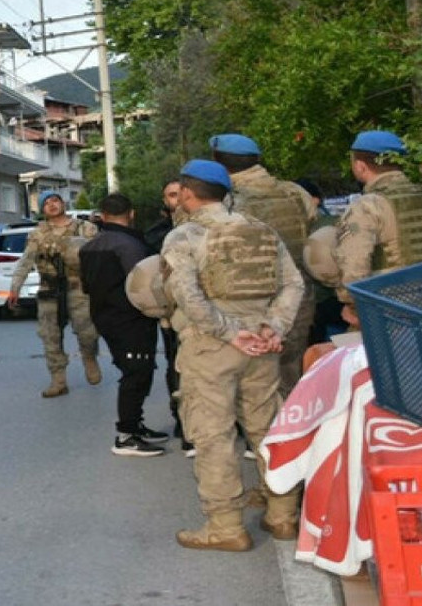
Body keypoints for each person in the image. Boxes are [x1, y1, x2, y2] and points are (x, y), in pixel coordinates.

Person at [162, 160, 304, 551]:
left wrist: (228, 332)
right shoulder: (262, 231)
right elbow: (293, 284)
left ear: (186, 193)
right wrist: (274, 327)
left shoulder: (184, 235)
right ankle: (283, 514)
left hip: (212, 346)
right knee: (268, 427)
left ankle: (225, 527)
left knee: (213, 433)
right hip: (262, 344)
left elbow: (188, 296)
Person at [210, 133, 318, 398]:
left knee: (253, 389)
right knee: (292, 377)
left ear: (218, 163)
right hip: (297, 301)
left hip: (249, 307)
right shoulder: (295, 192)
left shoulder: (225, 201)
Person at [333, 130, 422, 325]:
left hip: (393, 314)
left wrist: (354, 308)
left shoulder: (366, 208)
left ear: (360, 166)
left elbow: (354, 269)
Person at [80, 194, 169, 456]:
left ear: (103, 215)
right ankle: (126, 435)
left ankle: (135, 425)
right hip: (130, 319)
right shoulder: (131, 245)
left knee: (135, 370)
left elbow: (86, 286)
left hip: (104, 316)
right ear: (131, 214)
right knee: (136, 374)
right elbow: (144, 285)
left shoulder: (88, 247)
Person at [7, 191, 100, 397]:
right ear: (42, 210)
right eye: (46, 203)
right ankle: (58, 381)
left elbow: (99, 257)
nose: (52, 205)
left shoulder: (85, 228)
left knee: (88, 332)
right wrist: (15, 287)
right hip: (49, 289)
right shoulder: (37, 234)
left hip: (78, 288)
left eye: (55, 200)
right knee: (50, 336)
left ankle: (89, 357)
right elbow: (26, 262)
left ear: (63, 204)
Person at [143, 178, 189, 454]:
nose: (177, 199)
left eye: (181, 193)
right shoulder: (156, 234)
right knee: (177, 365)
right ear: (165, 201)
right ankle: (183, 419)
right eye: (172, 195)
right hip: (173, 313)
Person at [293, 178, 348, 344]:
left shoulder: (326, 224)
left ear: (315, 200)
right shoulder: (334, 221)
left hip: (327, 300)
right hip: (329, 299)